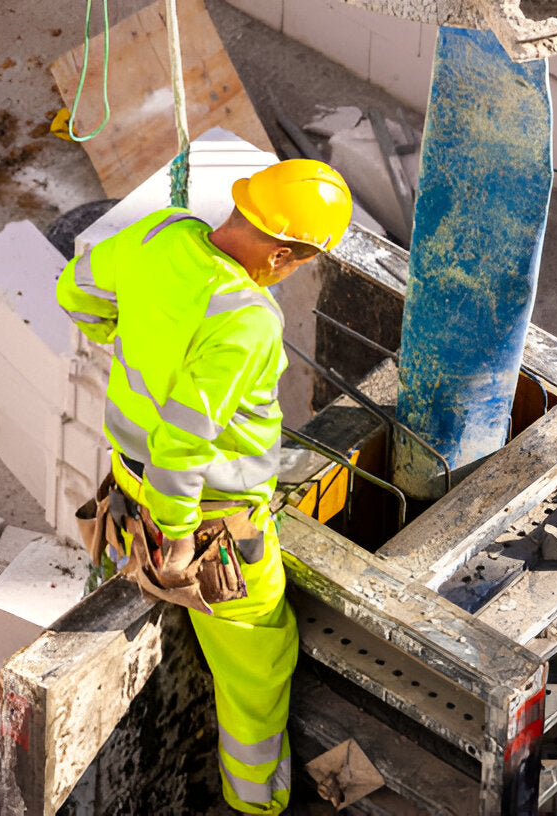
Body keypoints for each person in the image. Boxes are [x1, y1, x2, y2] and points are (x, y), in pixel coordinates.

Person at [55, 158, 353, 816]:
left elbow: (75, 292)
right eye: (301, 261)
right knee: (258, 660)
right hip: (210, 519)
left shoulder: (162, 233)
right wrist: (182, 539)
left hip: (131, 488)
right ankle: (256, 804)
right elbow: (184, 446)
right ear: (280, 253)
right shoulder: (246, 319)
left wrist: (133, 340)